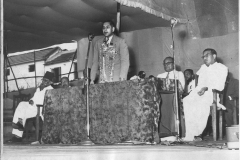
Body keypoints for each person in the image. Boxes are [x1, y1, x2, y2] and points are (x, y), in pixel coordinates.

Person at [182, 48, 228, 141]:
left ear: (214, 56)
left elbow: (220, 86)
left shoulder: (222, 68)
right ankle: (190, 134)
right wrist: (198, 91)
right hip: (200, 93)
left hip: (212, 94)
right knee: (186, 101)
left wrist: (206, 88)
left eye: (207, 55)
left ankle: (198, 134)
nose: (204, 58)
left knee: (201, 103)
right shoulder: (202, 68)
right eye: (203, 56)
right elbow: (198, 84)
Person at [7, 71, 54, 143]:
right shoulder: (39, 89)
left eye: (46, 80)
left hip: (39, 109)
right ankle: (18, 125)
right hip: (32, 107)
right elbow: (33, 98)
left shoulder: (51, 90)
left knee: (22, 111)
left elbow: (47, 103)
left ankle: (17, 134)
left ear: (50, 82)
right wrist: (31, 100)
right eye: (43, 80)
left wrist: (34, 103)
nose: (44, 82)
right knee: (21, 104)